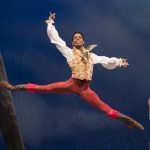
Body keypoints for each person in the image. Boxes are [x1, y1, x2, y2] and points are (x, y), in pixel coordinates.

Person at [0, 13, 144, 130]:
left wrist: (119, 61)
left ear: (83, 40)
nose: (77, 39)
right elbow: (57, 40)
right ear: (73, 42)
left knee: (106, 109)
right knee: (43, 88)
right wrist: (50, 23)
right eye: (75, 38)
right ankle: (12, 87)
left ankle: (127, 122)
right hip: (71, 84)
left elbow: (105, 60)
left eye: (80, 37)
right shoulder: (69, 53)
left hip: (85, 90)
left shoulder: (91, 56)